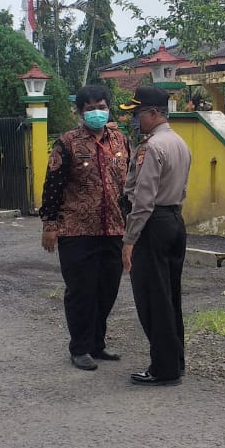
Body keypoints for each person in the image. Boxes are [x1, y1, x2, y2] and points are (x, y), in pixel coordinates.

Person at [39, 84, 130, 371]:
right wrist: (49, 225)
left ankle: (97, 344)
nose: (97, 113)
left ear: (109, 108)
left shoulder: (121, 141)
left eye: (101, 107)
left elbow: (128, 185)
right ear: (80, 112)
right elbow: (52, 186)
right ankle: (80, 348)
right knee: (81, 291)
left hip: (114, 228)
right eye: (90, 108)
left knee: (107, 289)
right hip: (76, 229)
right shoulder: (67, 143)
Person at [119, 86, 191, 387]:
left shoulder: (151, 147)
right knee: (170, 295)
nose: (135, 120)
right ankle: (175, 360)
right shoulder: (179, 143)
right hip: (174, 219)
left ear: (153, 113)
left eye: (137, 114)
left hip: (152, 223)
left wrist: (129, 239)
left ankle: (163, 368)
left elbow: (143, 199)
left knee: (153, 297)